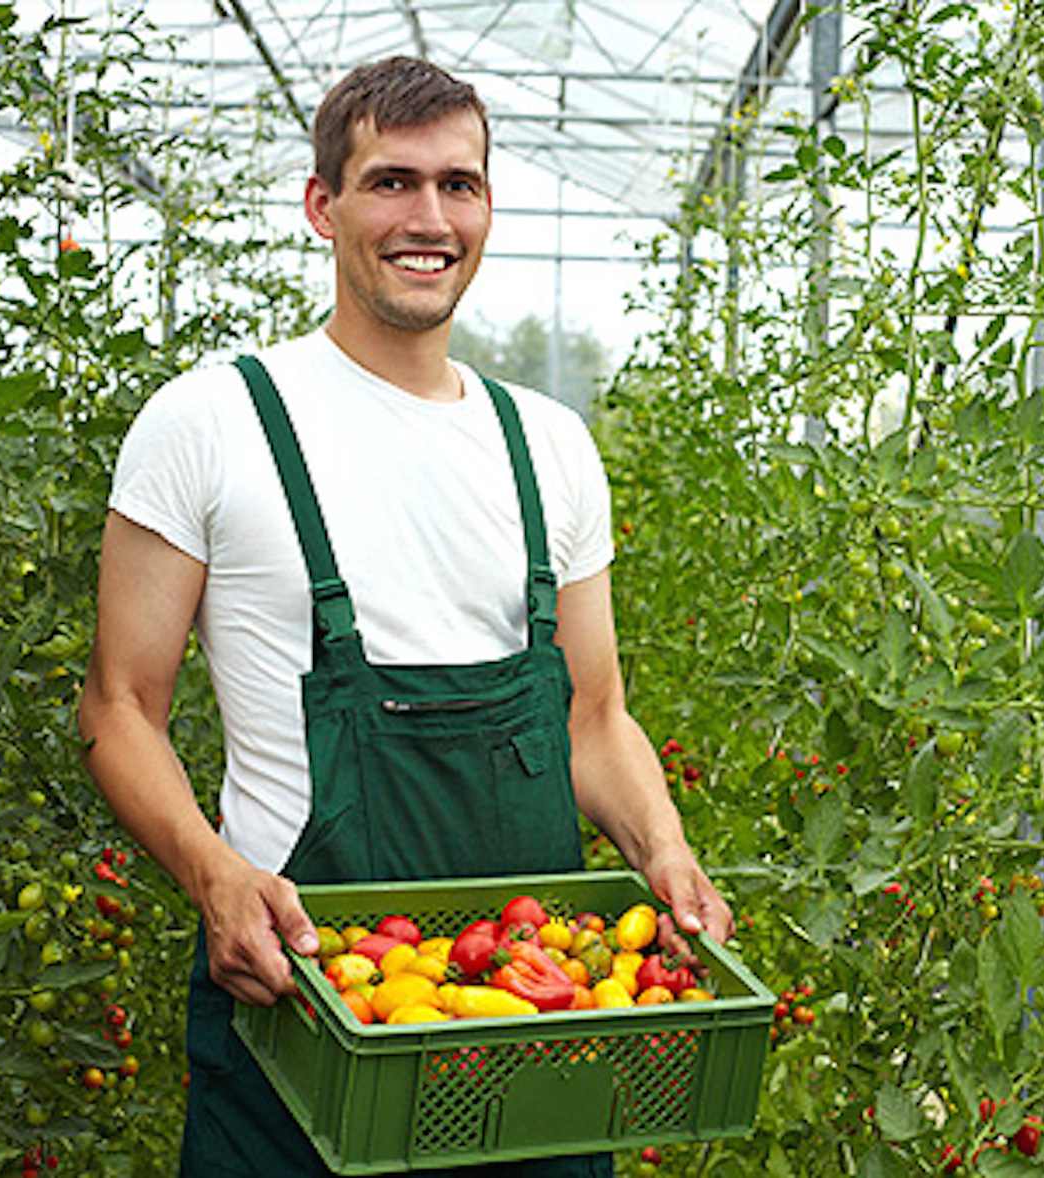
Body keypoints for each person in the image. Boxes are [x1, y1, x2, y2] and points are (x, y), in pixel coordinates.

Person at [78, 56, 731, 1177]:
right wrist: (213, 876)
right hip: (306, 1015)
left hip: (539, 1031)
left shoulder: (549, 446)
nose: (429, 218)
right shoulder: (214, 421)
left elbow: (595, 716)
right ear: (323, 205)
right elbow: (117, 707)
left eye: (459, 185)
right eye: (391, 182)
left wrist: (663, 849)